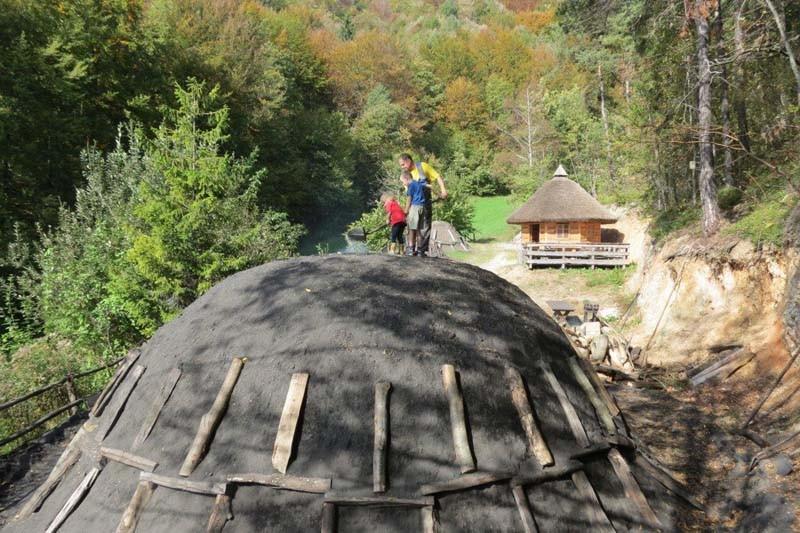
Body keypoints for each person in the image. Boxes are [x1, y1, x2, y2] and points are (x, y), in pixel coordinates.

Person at [398, 153, 447, 257]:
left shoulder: (423, 166)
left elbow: (437, 177)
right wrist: (408, 209)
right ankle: (411, 249)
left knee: (424, 228)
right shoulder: (406, 176)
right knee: (412, 227)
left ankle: (422, 251)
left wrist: (442, 191)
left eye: (403, 164)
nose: (402, 167)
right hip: (414, 205)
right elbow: (409, 196)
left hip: (426, 204)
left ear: (408, 161)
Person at [400, 170, 429, 256]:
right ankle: (420, 250)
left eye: (403, 181)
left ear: (406, 178)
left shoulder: (411, 185)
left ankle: (410, 249)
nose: (403, 184)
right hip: (422, 207)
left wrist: (406, 211)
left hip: (415, 207)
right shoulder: (417, 183)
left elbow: (409, 199)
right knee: (419, 230)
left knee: (411, 230)